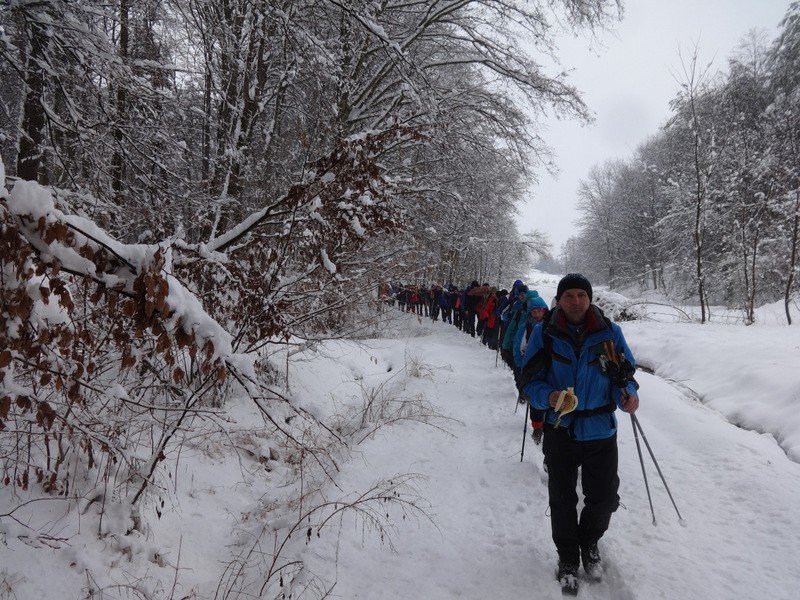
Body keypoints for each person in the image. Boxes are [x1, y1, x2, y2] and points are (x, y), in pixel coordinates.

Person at [520, 273, 639, 595]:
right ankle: (568, 558)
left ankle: (590, 544)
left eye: (581, 295)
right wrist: (549, 398)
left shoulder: (609, 333)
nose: (575, 301)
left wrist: (627, 394)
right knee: (562, 499)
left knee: (603, 498)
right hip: (561, 428)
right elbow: (529, 379)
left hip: (601, 429)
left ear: (590, 299)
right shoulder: (545, 333)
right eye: (569, 295)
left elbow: (625, 374)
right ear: (559, 299)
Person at [513, 294, 549, 444]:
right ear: (530, 313)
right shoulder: (525, 327)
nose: (538, 314)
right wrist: (523, 366)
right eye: (534, 312)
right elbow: (518, 348)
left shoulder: (551, 326)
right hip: (531, 368)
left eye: (540, 311)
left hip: (548, 367)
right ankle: (537, 427)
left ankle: (547, 426)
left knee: (549, 398)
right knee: (535, 400)